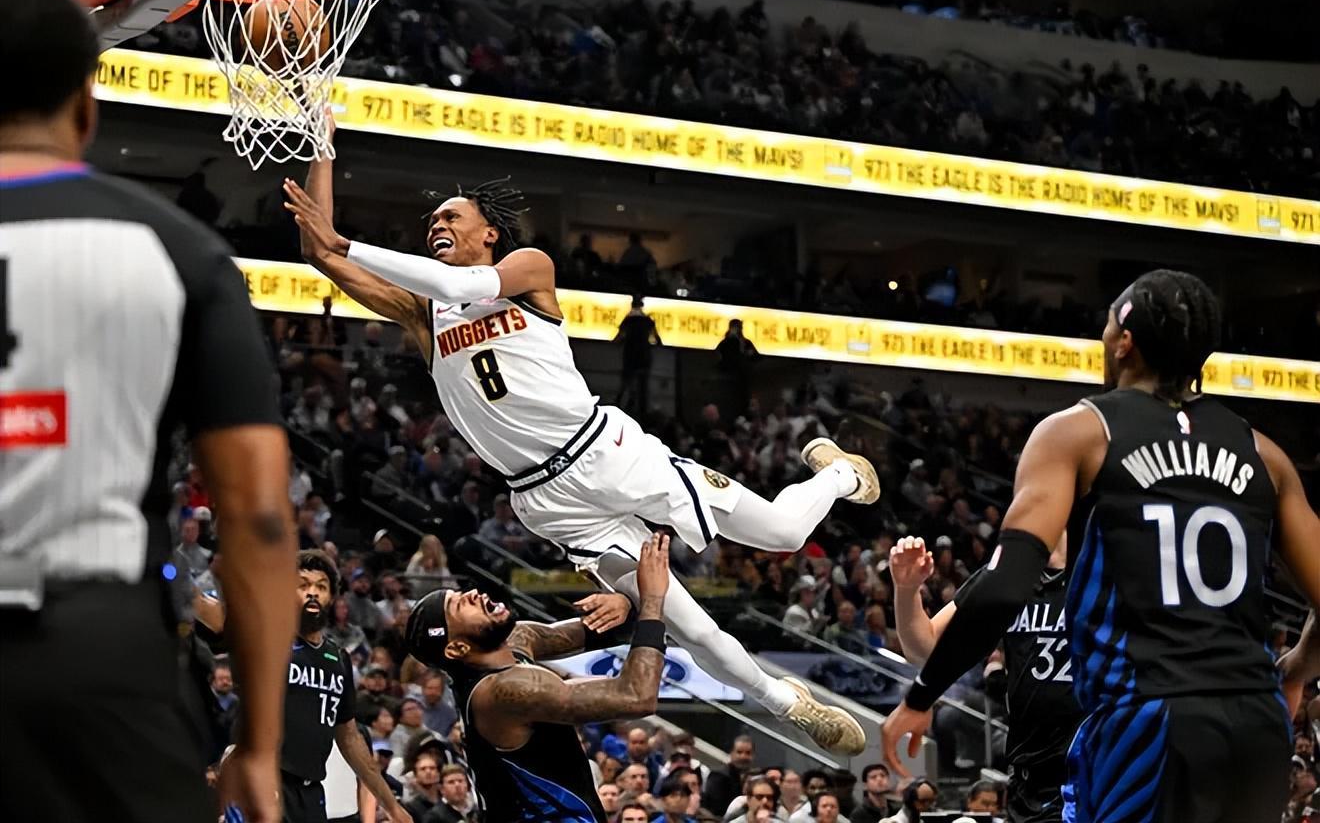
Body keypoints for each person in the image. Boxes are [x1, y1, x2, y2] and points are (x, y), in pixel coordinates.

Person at [286, 139, 874, 754]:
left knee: (781, 533)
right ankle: (785, 703)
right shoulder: (423, 317)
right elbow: (317, 250)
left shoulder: (528, 270)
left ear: (489, 233)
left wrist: (348, 242)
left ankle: (836, 474)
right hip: (544, 499)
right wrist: (323, 150)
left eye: (451, 217)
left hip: (606, 452)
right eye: (431, 220)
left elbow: (446, 278)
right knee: (686, 624)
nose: (437, 225)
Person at [0, 0, 297, 823]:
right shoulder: (177, 249)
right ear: (85, 104)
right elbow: (256, 518)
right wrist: (259, 743)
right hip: (96, 654)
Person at [882, 271, 1320, 823]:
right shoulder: (1265, 454)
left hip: (1149, 717)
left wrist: (921, 696)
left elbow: (1006, 583)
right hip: (1256, 722)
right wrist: (1296, 668)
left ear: (1124, 342)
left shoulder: (1081, 432)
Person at [404, 533, 673, 821]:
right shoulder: (503, 692)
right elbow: (637, 697)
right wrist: (652, 599)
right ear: (457, 648)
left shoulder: (514, 640)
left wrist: (623, 602)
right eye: (460, 606)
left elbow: (601, 628)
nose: (473, 594)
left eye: (462, 594)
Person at [889, 534, 1078, 823]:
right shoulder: (1008, 575)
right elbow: (925, 649)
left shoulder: (1109, 568)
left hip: (1099, 763)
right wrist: (906, 590)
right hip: (1032, 775)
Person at [281, 550, 413, 823]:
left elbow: (350, 738)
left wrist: (391, 805)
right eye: (302, 585)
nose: (312, 593)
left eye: (321, 587)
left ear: (331, 597)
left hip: (311, 792)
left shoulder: (338, 658)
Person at [615, 295, 662, 414]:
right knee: (643, 385)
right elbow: (657, 339)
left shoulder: (628, 320)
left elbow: (619, 337)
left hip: (630, 354)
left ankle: (621, 404)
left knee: (626, 382)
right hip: (644, 355)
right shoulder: (647, 320)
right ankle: (642, 411)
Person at [702, 735, 755, 816]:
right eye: (739, 752)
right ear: (731, 753)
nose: (743, 756)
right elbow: (716, 810)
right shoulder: (718, 776)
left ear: (753, 755)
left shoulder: (755, 778)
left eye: (748, 753)